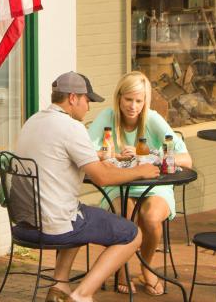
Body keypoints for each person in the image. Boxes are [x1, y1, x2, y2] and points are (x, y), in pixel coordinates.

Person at [12, 72, 159, 302]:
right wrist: (141, 171)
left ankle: (60, 286)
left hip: (25, 223)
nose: (89, 107)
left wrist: (97, 155)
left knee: (82, 213)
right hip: (55, 224)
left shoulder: (33, 121)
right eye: (87, 100)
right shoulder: (71, 128)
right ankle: (82, 294)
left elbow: (58, 152)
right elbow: (102, 178)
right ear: (73, 98)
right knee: (132, 234)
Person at [86, 72, 191, 296]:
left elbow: (185, 159)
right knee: (127, 218)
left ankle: (147, 267)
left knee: (151, 217)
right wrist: (111, 155)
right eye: (128, 99)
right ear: (119, 97)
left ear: (145, 101)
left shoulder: (152, 119)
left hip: (153, 184)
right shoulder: (107, 117)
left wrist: (148, 155)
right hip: (117, 183)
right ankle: (122, 267)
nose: (133, 106)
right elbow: (84, 152)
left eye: (138, 101)